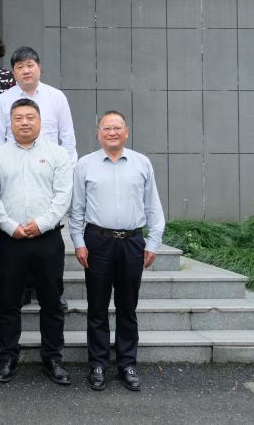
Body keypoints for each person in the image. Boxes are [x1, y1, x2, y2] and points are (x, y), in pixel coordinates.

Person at [70, 111, 165, 392]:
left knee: (127, 307)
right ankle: (98, 364)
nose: (112, 132)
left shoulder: (141, 163)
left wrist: (153, 242)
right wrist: (78, 241)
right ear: (98, 133)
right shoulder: (85, 165)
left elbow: (153, 205)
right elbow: (77, 208)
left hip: (132, 242)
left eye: (117, 128)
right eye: (106, 128)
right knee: (97, 307)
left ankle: (127, 364)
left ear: (126, 132)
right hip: (97, 241)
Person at [0, 99, 73, 386]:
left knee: (51, 302)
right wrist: (9, 226)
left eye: (30, 117)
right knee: (9, 302)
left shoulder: (57, 153)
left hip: (47, 239)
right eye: (18, 118)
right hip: (11, 240)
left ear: (39, 121)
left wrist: (42, 223)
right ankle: (7, 357)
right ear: (10, 123)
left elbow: (63, 195)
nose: (24, 122)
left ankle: (53, 357)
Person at [0, 46, 77, 162]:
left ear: (39, 67)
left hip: (50, 164)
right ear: (13, 73)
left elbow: (68, 137)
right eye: (20, 67)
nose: (26, 71)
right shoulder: (3, 100)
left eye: (30, 65)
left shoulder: (57, 97)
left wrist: (67, 167)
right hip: (13, 165)